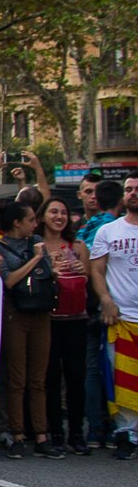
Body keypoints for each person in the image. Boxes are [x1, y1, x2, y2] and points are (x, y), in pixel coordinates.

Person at [0, 200, 59, 459]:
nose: (35, 224)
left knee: (38, 378)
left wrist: (47, 260)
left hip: (41, 313)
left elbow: (49, 274)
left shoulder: (37, 241)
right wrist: (38, 258)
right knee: (16, 377)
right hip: (15, 314)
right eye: (30, 219)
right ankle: (17, 433)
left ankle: (41, 434)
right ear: (17, 223)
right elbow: (9, 280)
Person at [89, 175, 138, 459]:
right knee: (122, 381)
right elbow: (96, 270)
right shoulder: (108, 231)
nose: (133, 194)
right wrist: (105, 299)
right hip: (120, 320)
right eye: (129, 189)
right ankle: (126, 435)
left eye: (137, 189)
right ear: (123, 196)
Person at [38, 196, 90, 455]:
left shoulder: (78, 245)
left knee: (76, 377)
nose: (59, 217)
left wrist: (82, 268)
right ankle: (55, 432)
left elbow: (88, 278)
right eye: (53, 212)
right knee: (50, 377)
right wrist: (50, 270)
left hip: (76, 319)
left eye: (63, 213)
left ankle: (77, 433)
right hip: (48, 320)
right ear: (43, 216)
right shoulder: (36, 246)